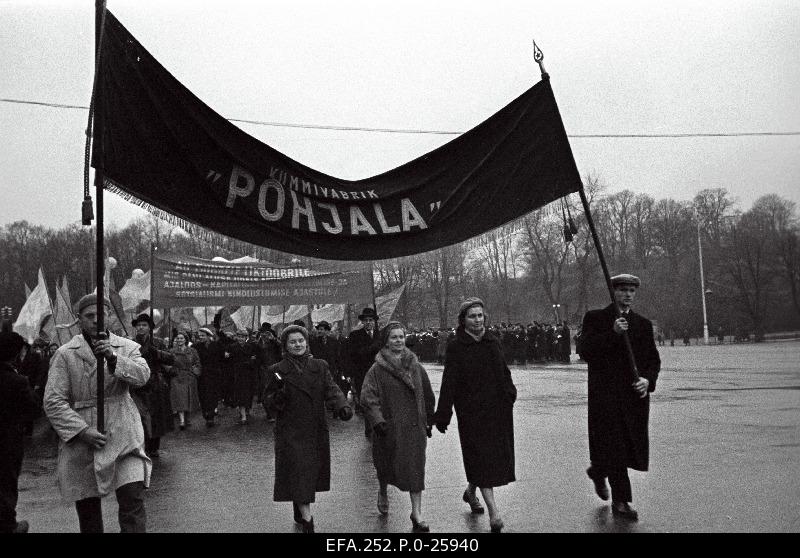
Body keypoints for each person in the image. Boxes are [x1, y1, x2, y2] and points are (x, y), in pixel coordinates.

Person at [44, 294, 152, 532]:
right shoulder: (65, 354)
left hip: (123, 433)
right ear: (79, 319)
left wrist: (114, 358)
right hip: (83, 440)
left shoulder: (127, 347)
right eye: (89, 316)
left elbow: (143, 377)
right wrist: (82, 431)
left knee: (133, 501)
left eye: (101, 315)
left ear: (110, 316)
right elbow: (53, 401)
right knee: (89, 513)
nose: (96, 321)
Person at [578, 274, 661, 521]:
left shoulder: (643, 325)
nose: (627, 294)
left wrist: (648, 380)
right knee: (615, 447)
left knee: (625, 447)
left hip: (633, 396)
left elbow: (652, 360)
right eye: (623, 290)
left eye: (631, 290)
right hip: (606, 396)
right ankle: (621, 500)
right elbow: (585, 351)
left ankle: (598, 470)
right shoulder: (596, 319)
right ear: (613, 291)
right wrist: (612, 333)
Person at [433, 298, 517, 533]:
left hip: (496, 410)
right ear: (463, 320)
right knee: (480, 457)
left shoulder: (493, 341)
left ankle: (471, 492)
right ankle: (494, 513)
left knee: (490, 458)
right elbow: (449, 381)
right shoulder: (456, 346)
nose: (478, 320)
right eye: (472, 316)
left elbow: (504, 371)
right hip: (471, 413)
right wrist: (443, 414)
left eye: (480, 315)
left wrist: (510, 394)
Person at [263, 324, 353, 533]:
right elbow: (267, 402)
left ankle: (299, 503)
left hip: (314, 428)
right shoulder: (277, 370)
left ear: (307, 342)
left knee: (306, 474)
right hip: (290, 431)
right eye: (293, 342)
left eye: (301, 341)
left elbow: (332, 389)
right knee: (299, 470)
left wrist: (342, 406)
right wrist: (278, 397)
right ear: (285, 346)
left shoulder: (320, 366)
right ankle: (308, 520)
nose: (298, 345)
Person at [361, 322, 435, 532]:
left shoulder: (416, 366)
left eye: (401, 337)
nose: (399, 341)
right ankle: (383, 490)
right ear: (386, 341)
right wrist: (377, 421)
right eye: (394, 337)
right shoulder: (377, 369)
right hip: (389, 428)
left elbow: (427, 394)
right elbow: (368, 397)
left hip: (414, 427)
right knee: (385, 465)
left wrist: (429, 419)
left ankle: (417, 513)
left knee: (415, 470)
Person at [0, 331, 41, 533]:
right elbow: (33, 409)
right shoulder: (17, 381)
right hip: (8, 441)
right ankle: (8, 524)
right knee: (7, 482)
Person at [130, 313, 175, 458]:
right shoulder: (131, 344)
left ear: (149, 328)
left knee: (157, 418)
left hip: (156, 385)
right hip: (137, 386)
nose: (141, 328)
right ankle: (143, 445)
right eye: (138, 325)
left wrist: (156, 353)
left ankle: (154, 446)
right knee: (141, 418)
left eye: (144, 325)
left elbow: (171, 358)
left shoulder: (158, 343)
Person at [347, 308, 382, 428]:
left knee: (380, 400)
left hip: (380, 372)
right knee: (367, 401)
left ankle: (378, 425)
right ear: (362, 322)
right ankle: (369, 426)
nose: (368, 322)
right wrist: (373, 347)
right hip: (362, 373)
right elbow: (354, 354)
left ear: (374, 321)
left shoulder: (380, 335)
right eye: (366, 320)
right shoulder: (355, 335)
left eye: (371, 320)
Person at [168, 331, 201, 430]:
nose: (179, 340)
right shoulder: (171, 351)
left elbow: (197, 362)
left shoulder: (192, 351)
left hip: (189, 377)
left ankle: (187, 418)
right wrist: (171, 370)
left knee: (188, 398)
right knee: (179, 398)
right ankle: (182, 421)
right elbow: (167, 363)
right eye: (178, 338)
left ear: (186, 339)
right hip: (177, 377)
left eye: (181, 338)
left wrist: (195, 372)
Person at [230, 327, 259, 425]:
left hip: (248, 374)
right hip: (238, 374)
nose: (240, 339)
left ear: (246, 337)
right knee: (240, 394)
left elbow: (255, 359)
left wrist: (251, 361)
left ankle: (247, 408)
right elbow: (231, 360)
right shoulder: (233, 347)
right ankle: (243, 416)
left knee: (248, 393)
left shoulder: (250, 346)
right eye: (239, 336)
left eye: (242, 337)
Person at [194, 327, 222, 427]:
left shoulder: (216, 345)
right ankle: (206, 415)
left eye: (203, 335)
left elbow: (221, 358)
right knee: (203, 395)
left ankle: (210, 416)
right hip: (202, 375)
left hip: (214, 374)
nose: (201, 337)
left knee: (213, 395)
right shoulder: (196, 346)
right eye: (199, 336)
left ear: (208, 336)